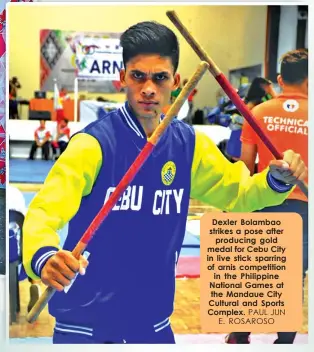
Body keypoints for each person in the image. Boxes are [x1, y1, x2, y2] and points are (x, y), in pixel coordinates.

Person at [22, 22, 307, 344]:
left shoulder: (190, 145)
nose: (148, 88)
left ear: (177, 82)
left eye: (159, 77)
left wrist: (274, 182)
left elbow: (237, 195)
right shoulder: (93, 145)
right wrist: (44, 256)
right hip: (86, 325)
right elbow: (44, 212)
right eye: (138, 76)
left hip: (153, 323)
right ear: (122, 79)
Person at [225, 48, 308, 344]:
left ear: (280, 79)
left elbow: (245, 166)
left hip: (262, 200)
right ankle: (285, 342)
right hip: (301, 206)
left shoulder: (258, 113)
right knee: (292, 276)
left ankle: (239, 336)